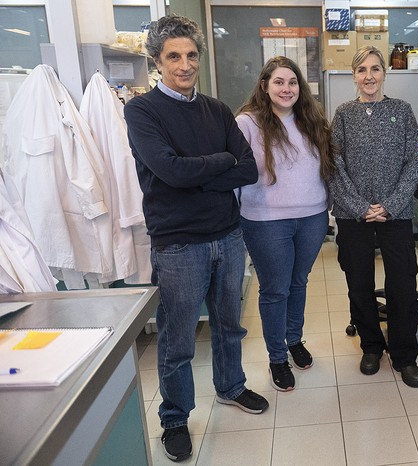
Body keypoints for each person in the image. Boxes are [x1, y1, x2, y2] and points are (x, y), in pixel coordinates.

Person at [124, 14, 269, 462]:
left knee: (230, 325)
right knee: (178, 339)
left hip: (227, 237)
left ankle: (230, 386)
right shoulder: (142, 111)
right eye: (174, 56)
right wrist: (220, 164)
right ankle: (174, 417)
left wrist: (200, 172)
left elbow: (249, 168)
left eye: (191, 55)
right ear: (157, 60)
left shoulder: (218, 110)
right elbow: (168, 170)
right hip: (179, 244)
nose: (184, 64)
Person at [235, 56, 336, 392]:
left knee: (298, 282)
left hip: (312, 217)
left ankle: (294, 340)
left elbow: (324, 167)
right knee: (275, 289)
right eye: (278, 82)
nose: (286, 88)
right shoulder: (247, 123)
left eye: (292, 82)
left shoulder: (311, 119)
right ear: (265, 86)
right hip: (266, 222)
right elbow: (235, 174)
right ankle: (277, 356)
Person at [329, 46, 418, 388]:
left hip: (394, 215)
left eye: (375, 69)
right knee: (359, 284)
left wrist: (390, 204)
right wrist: (359, 207)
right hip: (353, 216)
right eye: (361, 70)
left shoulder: (402, 111)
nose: (368, 76)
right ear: (353, 76)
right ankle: (371, 346)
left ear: (385, 73)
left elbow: (414, 162)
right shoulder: (342, 115)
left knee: (402, 284)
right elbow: (335, 166)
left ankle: (404, 355)